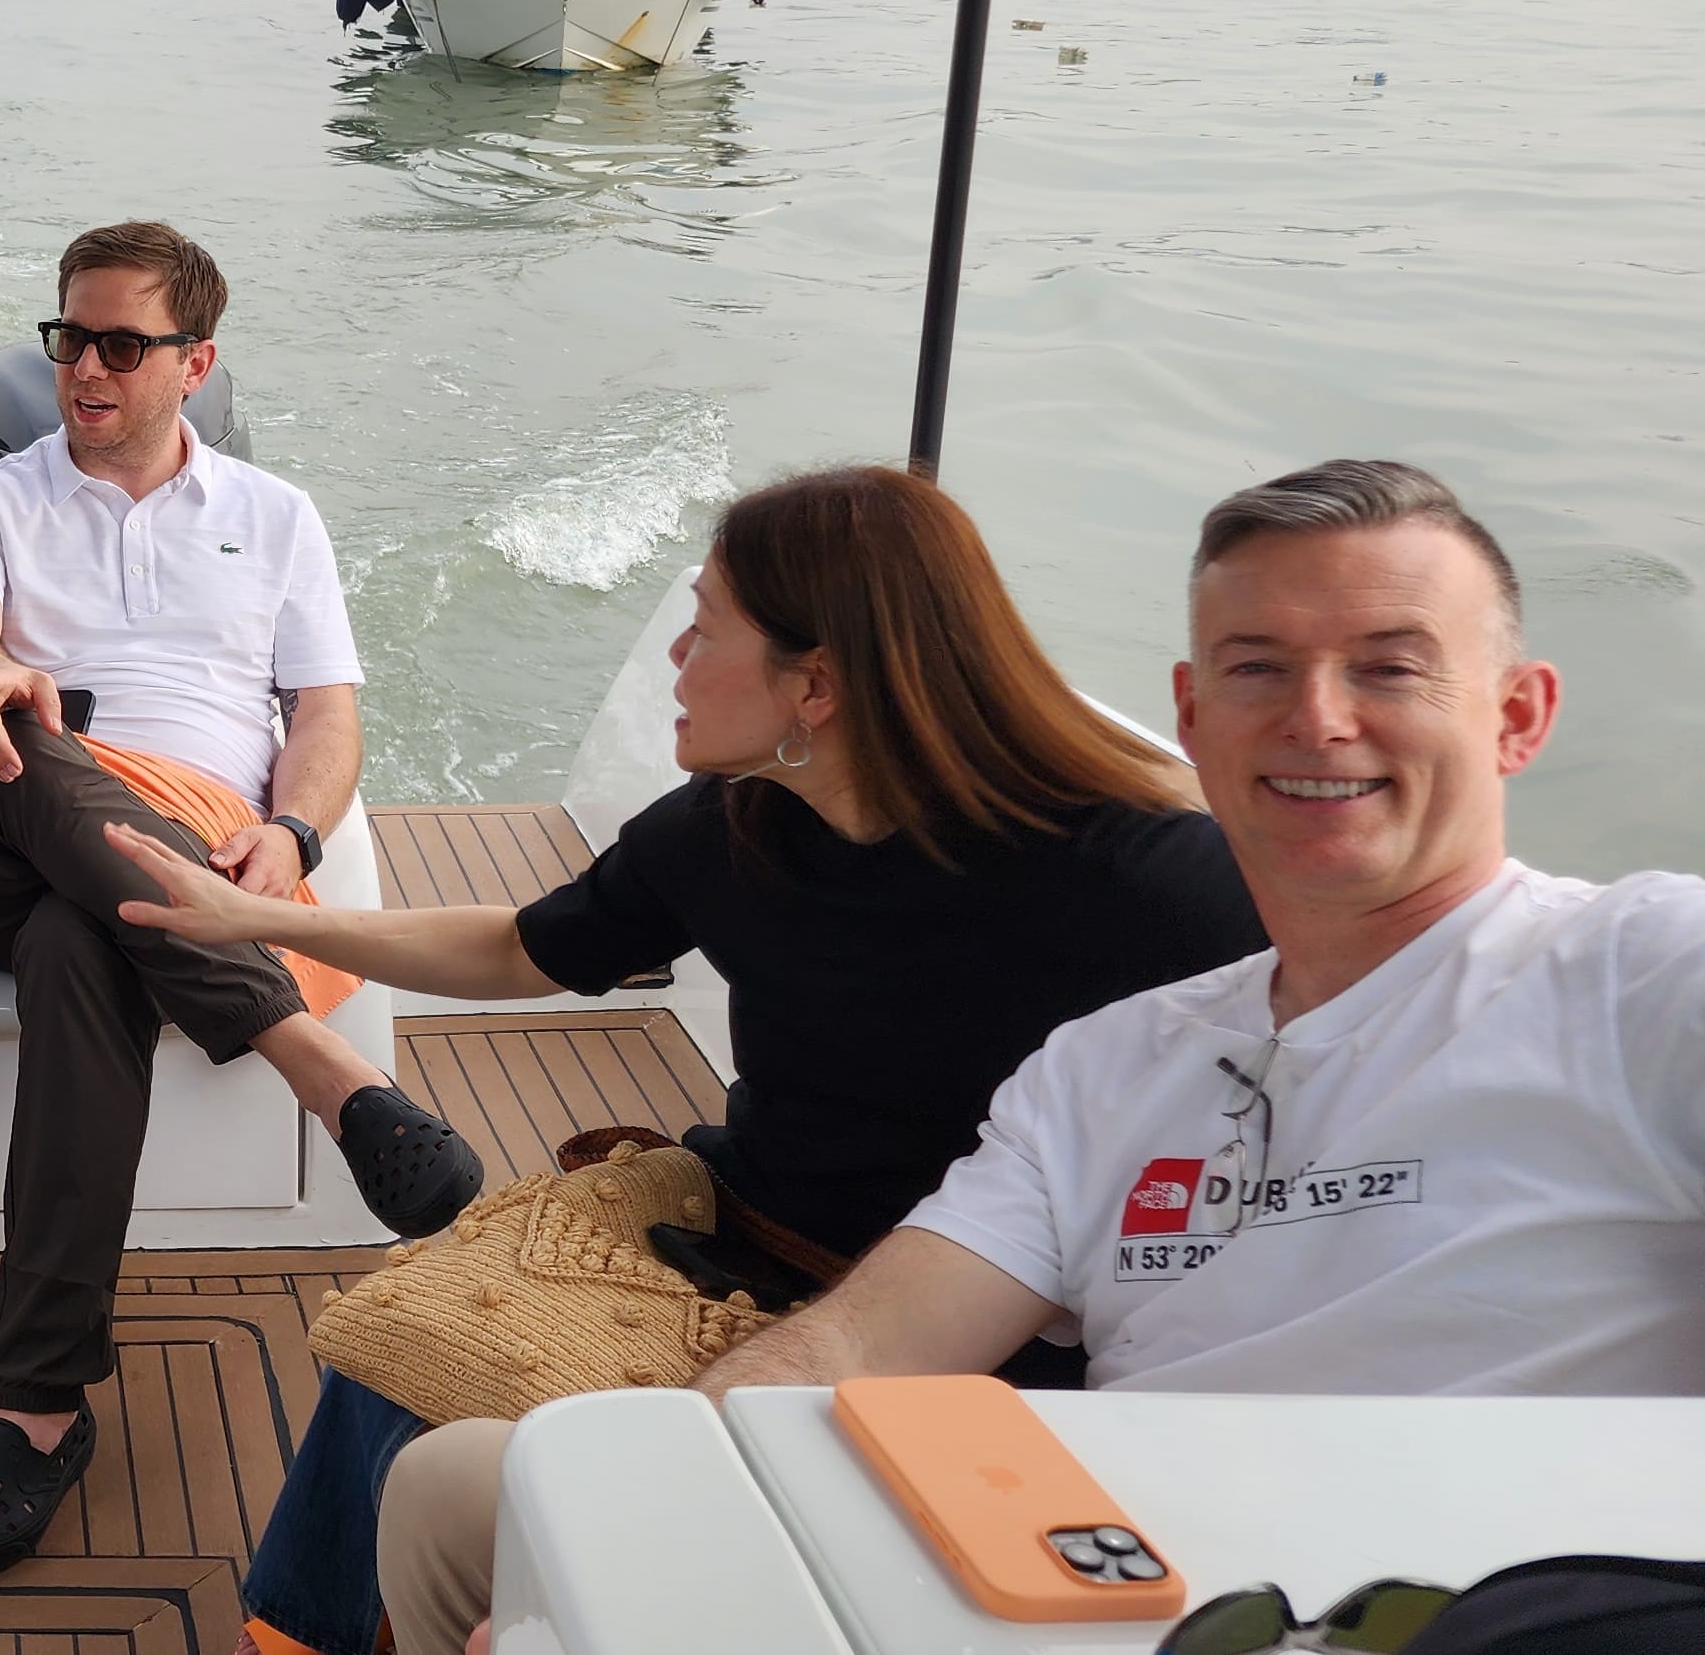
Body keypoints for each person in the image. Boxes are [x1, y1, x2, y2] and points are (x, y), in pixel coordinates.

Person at [365, 460, 1705, 1655]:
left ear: (1518, 716)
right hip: (1101, 1589)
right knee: (465, 1490)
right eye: (1255, 668)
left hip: (1525, 1608)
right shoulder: (1107, 1070)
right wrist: (621, 1551)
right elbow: (863, 1342)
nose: (1317, 717)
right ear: (1191, 714)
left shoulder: (1640, 976)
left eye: (1389, 668)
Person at [103, 465, 1265, 1655]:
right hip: (735, 1226)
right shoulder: (734, 820)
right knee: (399, 1337)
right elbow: (524, 946)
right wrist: (265, 919)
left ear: (815, 685)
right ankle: (293, 1638)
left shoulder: (1141, 878)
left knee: (468, 1424)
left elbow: (1318, 1007)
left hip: (968, 1321)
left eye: (702, 629)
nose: (672, 655)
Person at [0, 220, 486, 1585]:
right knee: (20, 730)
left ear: (195, 363)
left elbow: (324, 715)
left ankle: (35, 1411)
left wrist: (291, 829)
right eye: (69, 338)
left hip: (197, 849)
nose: (84, 367)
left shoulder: (276, 516)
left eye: (121, 343)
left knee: (79, 945)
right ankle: (321, 1067)